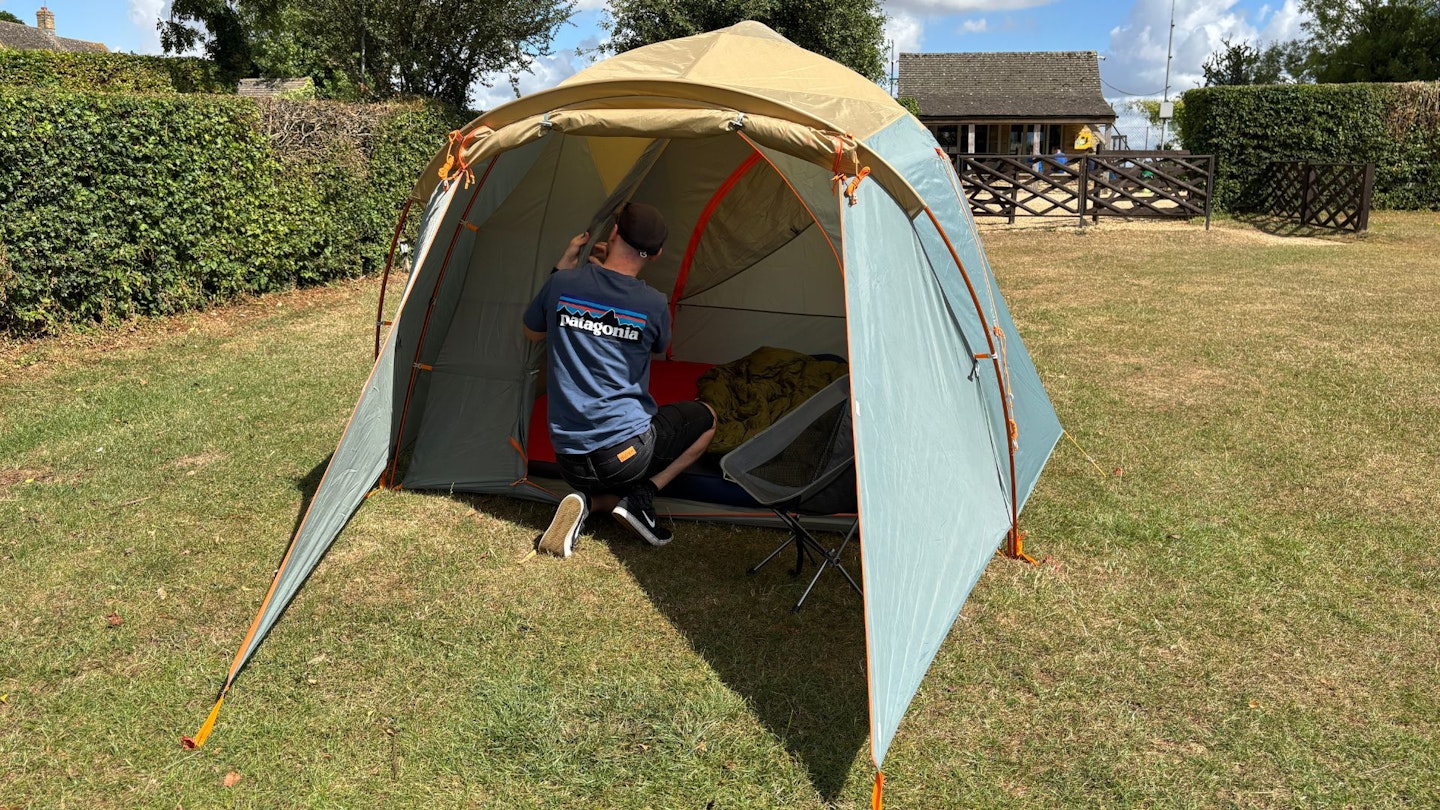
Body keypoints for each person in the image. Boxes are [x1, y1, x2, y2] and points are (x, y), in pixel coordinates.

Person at [522, 203, 717, 557]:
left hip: (568, 457)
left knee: (603, 479)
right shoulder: (653, 304)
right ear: (657, 254)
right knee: (706, 419)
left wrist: (567, 265)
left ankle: (587, 502)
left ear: (612, 234)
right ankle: (641, 499)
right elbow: (659, 346)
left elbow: (532, 332)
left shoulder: (562, 282)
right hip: (625, 456)